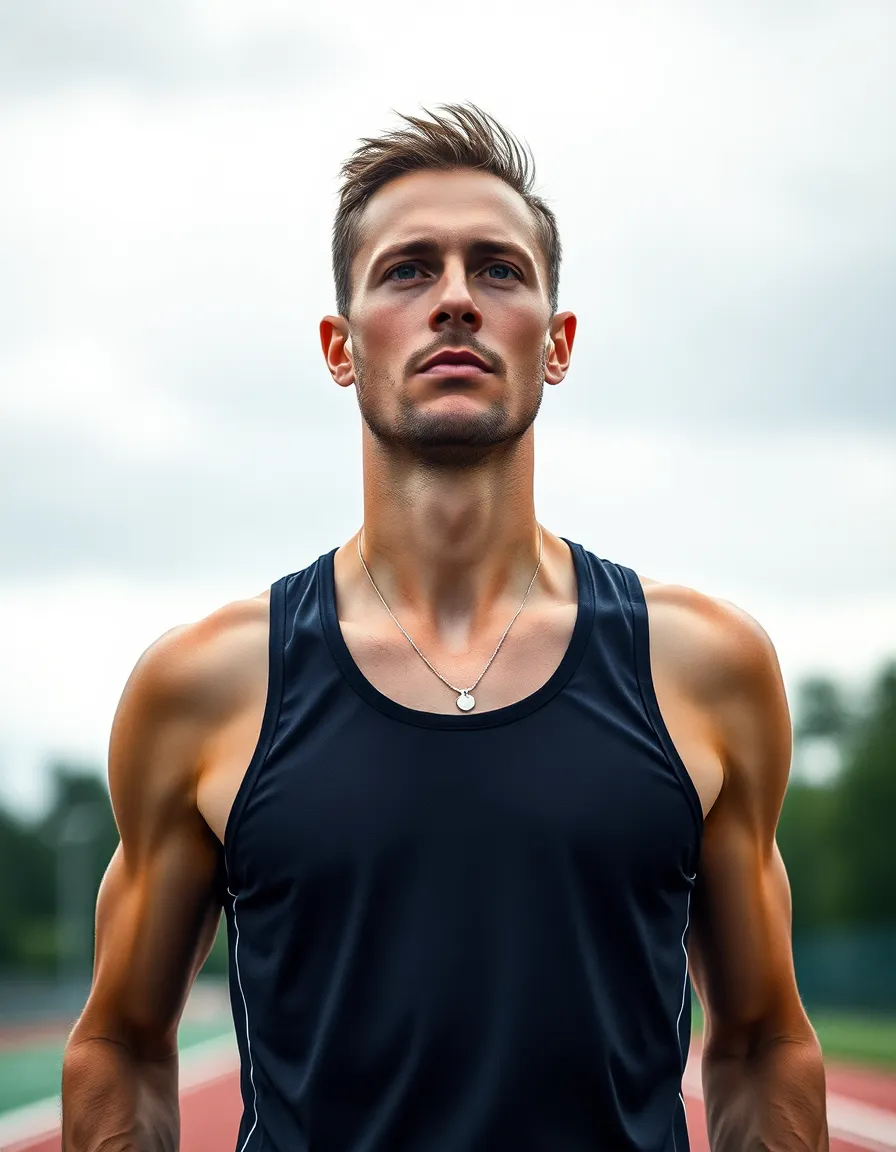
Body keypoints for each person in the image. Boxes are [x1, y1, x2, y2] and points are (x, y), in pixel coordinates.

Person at [61, 104, 828, 1151]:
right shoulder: (205, 685)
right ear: (340, 347)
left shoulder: (704, 667)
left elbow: (760, 1043)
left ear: (555, 344)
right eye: (408, 270)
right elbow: (118, 1043)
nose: (456, 300)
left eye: (499, 271)